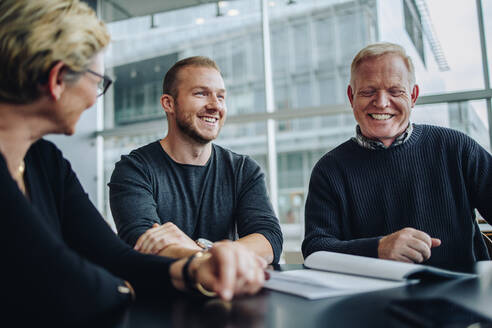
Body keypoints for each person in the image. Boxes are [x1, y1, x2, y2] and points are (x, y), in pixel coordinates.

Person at [0, 0, 266, 324]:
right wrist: (125, 286)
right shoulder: (132, 168)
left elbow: (112, 256)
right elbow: (63, 282)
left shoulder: (46, 161)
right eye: (98, 82)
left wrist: (197, 266)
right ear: (57, 79)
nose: (94, 96)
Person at [302, 42, 491, 270]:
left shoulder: (456, 148)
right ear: (352, 97)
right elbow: (315, 249)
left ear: (413, 95)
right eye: (368, 91)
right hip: (370, 300)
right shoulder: (330, 169)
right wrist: (378, 249)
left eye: (395, 91)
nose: (381, 103)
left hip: (464, 295)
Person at [108, 56, 283, 264]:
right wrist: (222, 255)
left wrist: (199, 249)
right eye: (201, 93)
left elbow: (269, 241)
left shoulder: (244, 170)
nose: (215, 105)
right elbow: (145, 245)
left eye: (220, 97)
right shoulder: (134, 169)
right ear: (169, 103)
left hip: (227, 293)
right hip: (159, 294)